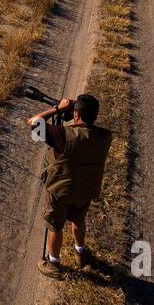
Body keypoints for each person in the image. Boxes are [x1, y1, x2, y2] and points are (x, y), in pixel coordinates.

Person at [26, 93, 111, 278]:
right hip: (85, 191)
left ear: (76, 114)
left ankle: (54, 263)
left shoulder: (63, 136)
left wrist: (58, 109)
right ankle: (81, 253)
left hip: (61, 191)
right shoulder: (105, 137)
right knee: (78, 220)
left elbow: (33, 122)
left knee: (55, 226)